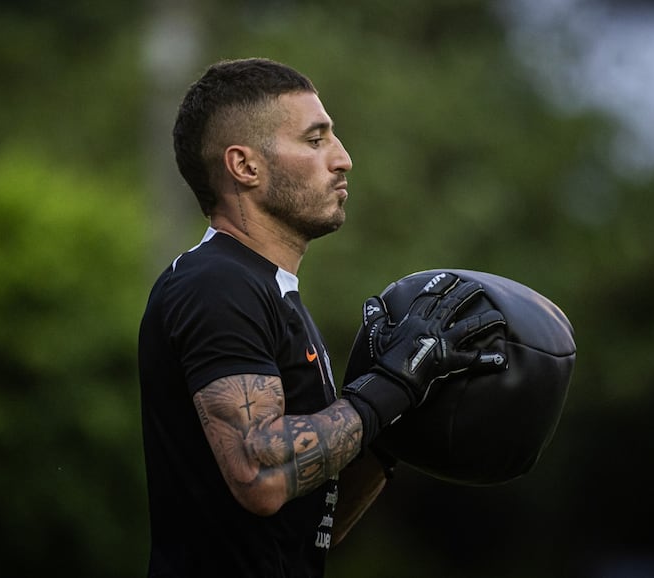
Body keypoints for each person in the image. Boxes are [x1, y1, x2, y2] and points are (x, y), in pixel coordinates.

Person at [138, 57, 506, 577]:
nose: (343, 159)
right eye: (315, 140)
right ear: (245, 167)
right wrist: (390, 385)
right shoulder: (217, 284)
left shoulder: (272, 293)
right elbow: (260, 476)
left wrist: (389, 431)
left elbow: (310, 526)